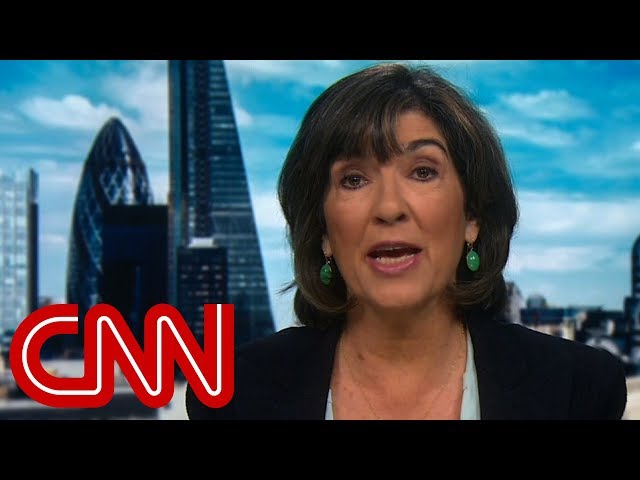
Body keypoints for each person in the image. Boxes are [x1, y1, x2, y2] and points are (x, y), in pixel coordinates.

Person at [185, 62, 628, 420]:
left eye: (422, 172)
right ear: (323, 232)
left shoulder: (578, 390)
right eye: (354, 179)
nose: (389, 207)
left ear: (472, 217)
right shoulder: (234, 395)